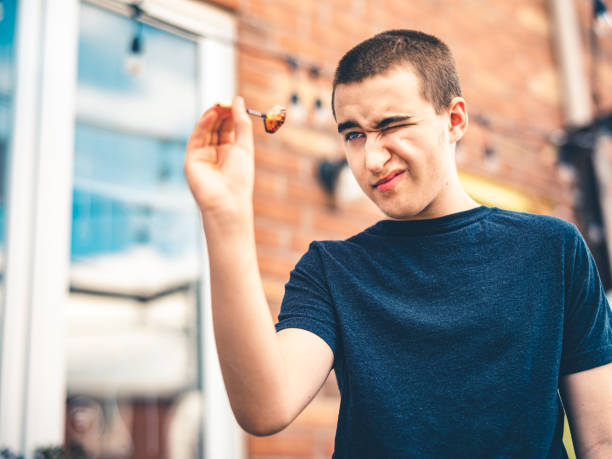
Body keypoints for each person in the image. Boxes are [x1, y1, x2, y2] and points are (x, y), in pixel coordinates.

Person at [184, 30, 612, 458]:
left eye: (392, 125)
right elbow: (265, 407)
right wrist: (226, 214)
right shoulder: (331, 270)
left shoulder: (552, 250)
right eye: (353, 134)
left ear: (455, 120)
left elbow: (601, 441)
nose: (371, 159)